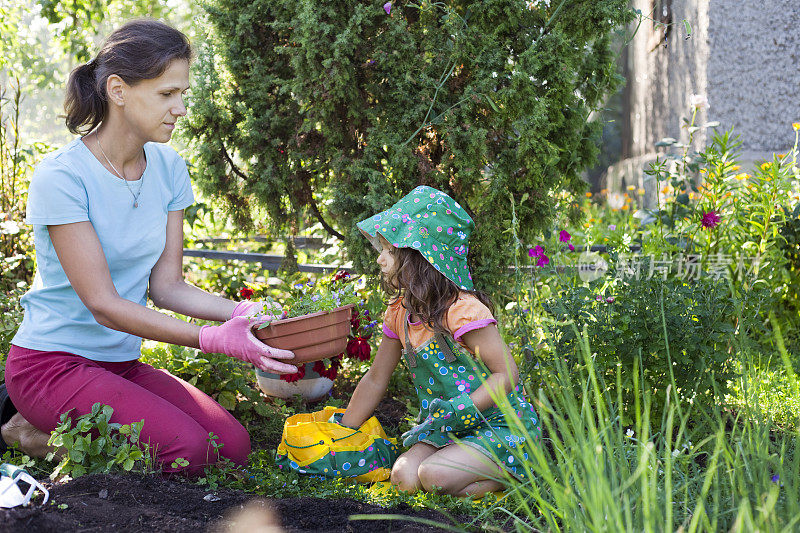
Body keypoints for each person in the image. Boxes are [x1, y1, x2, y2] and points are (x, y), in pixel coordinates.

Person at [0, 19, 299, 476]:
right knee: (191, 452)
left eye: (182, 93)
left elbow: (168, 286)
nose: (179, 108)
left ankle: (71, 434)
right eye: (166, 94)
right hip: (51, 366)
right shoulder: (62, 177)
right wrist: (210, 339)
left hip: (118, 364)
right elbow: (104, 305)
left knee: (231, 447)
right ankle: (26, 431)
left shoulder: (168, 168)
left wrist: (237, 314)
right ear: (117, 90)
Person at [337, 186, 541, 497]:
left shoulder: (463, 312)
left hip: (499, 425)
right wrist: (343, 432)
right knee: (403, 478)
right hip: (448, 427)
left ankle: (520, 469)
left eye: (388, 250)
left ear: (420, 255)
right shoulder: (399, 314)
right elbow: (377, 378)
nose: (380, 259)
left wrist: (463, 407)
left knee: (432, 476)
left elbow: (507, 374)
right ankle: (471, 477)